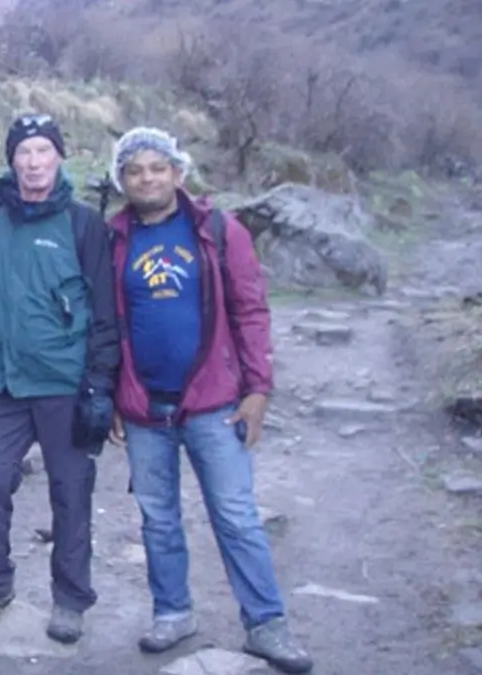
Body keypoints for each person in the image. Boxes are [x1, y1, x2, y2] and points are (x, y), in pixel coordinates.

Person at [104, 127, 314, 674]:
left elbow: (251, 310)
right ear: (121, 180)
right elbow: (105, 325)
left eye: (157, 167)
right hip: (145, 407)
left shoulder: (219, 231)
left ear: (178, 172)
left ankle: (267, 624)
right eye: (134, 170)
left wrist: (258, 389)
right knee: (158, 519)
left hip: (216, 402)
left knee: (237, 515)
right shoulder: (112, 238)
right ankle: (173, 612)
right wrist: (112, 394)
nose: (146, 177)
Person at [0, 113, 119, 644]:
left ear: (59, 158)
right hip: (2, 379)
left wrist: (100, 381)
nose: (33, 162)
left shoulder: (82, 222)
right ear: (12, 160)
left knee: (71, 491)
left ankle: (70, 599)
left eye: (43, 151)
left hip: (63, 381)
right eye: (24, 152)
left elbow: (104, 307)